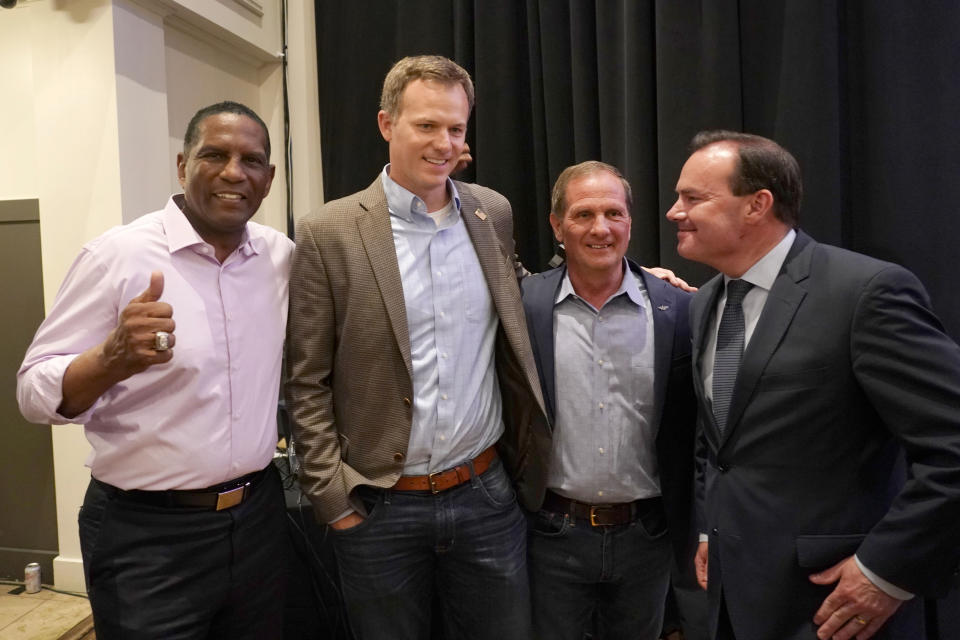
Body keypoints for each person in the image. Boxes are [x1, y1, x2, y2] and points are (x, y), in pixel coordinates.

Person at [285, 55, 549, 640]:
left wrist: (631, 277)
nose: (444, 143)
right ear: (386, 124)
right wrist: (333, 497)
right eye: (426, 125)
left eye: (456, 128)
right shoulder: (328, 231)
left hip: (485, 496)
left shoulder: (491, 212)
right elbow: (305, 378)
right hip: (379, 508)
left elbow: (523, 293)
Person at [665, 130, 960, 640]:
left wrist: (885, 572)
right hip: (730, 600)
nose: (674, 211)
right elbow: (717, 443)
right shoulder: (706, 301)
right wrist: (712, 527)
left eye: (693, 198)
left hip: (833, 607)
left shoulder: (865, 293)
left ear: (758, 204)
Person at [17, 101, 293, 639]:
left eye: (251, 160)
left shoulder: (280, 257)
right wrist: (110, 358)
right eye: (214, 155)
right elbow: (31, 390)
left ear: (269, 177)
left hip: (258, 518)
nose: (234, 172)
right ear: (182, 164)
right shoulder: (117, 257)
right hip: (148, 533)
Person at [521, 161, 697, 640]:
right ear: (557, 225)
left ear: (630, 222)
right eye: (582, 215)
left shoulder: (678, 309)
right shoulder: (523, 306)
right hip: (551, 534)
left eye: (613, 213)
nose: (600, 228)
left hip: (648, 538)